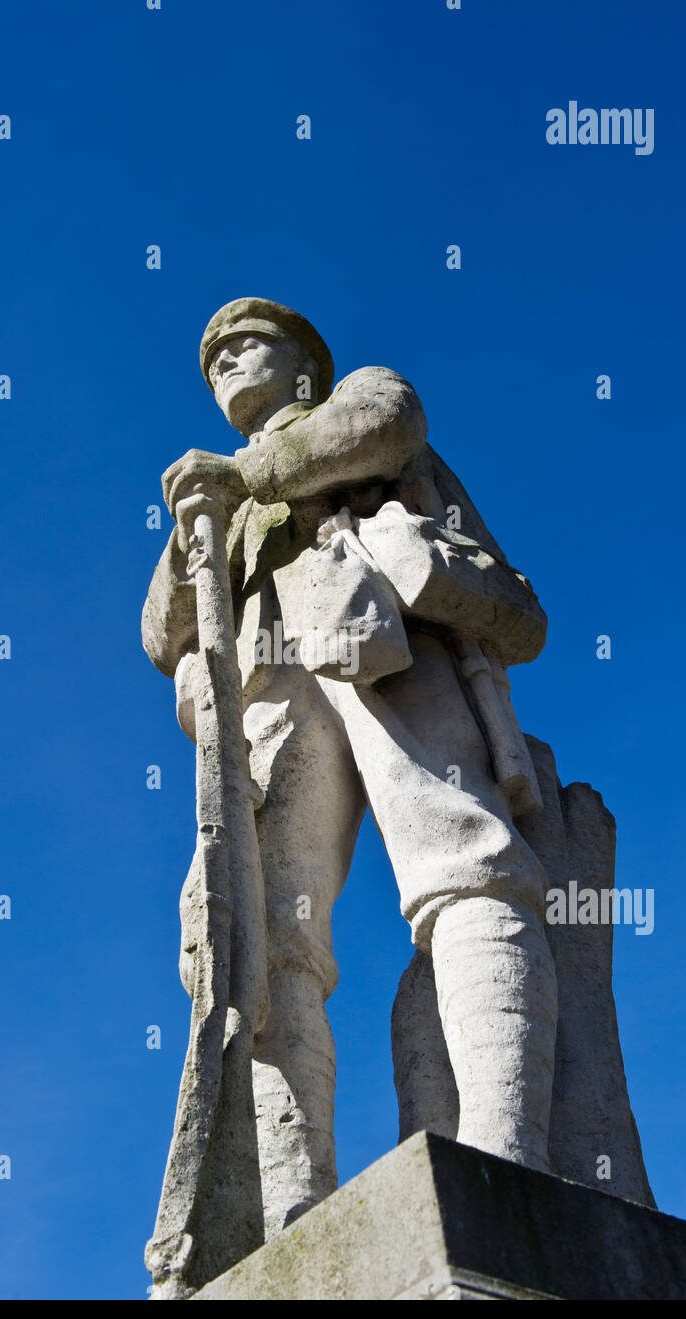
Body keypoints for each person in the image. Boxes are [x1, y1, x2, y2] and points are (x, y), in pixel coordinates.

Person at [142, 298, 558, 1237]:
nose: (226, 360)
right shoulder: (214, 497)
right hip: (269, 698)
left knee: (464, 868)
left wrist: (238, 480)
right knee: (271, 943)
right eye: (212, 358)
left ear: (304, 365)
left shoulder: (355, 403)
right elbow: (157, 632)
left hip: (377, 642)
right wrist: (191, 532)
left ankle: (505, 1148)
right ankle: (296, 1208)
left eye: (250, 343)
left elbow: (385, 423)